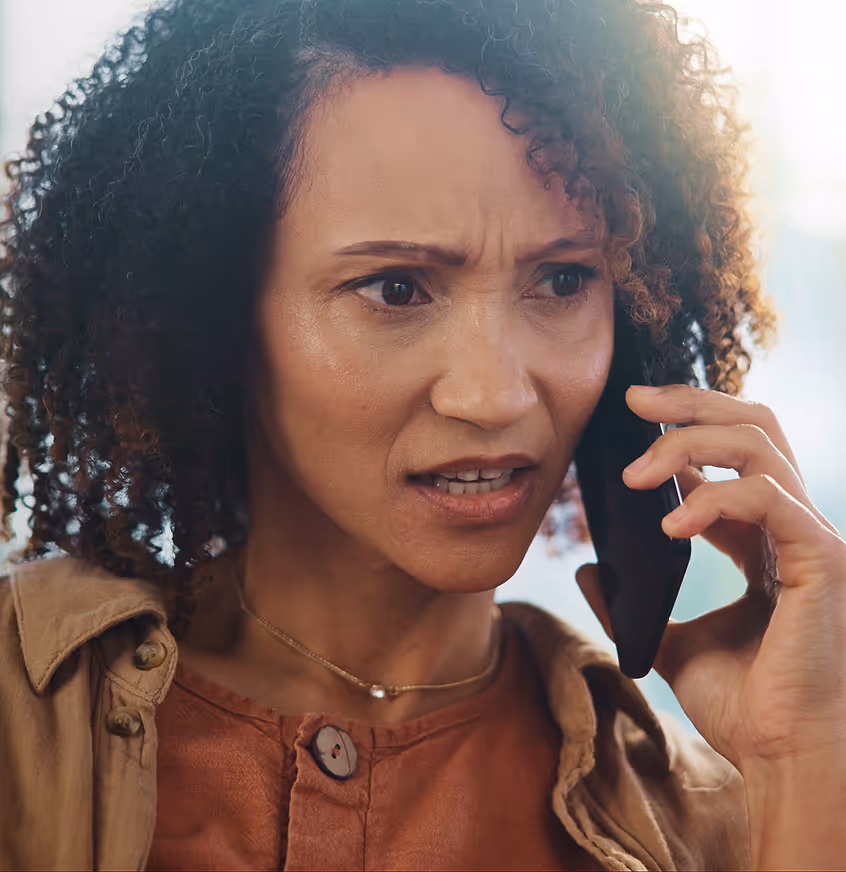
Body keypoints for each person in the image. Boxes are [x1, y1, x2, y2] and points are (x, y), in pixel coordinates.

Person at [0, 0, 844, 868]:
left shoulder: (721, 818)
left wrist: (800, 760)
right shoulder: (23, 721)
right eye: (396, 289)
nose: (495, 394)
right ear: (209, 313)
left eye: (561, 280)